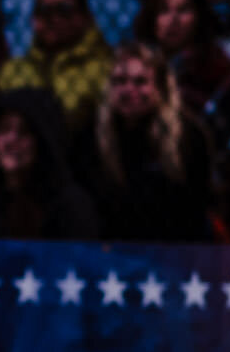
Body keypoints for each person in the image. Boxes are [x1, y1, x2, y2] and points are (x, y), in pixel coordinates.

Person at [135, 0, 230, 240]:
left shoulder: (216, 68)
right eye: (164, 10)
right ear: (152, 20)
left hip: (219, 206)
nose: (173, 20)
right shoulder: (142, 74)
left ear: (199, 17)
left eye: (183, 10)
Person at [84, 41, 217, 242]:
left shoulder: (187, 138)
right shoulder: (91, 137)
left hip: (174, 251)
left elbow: (196, 210)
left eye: (140, 82)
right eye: (120, 81)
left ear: (160, 88)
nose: (129, 90)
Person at [0, 87, 99, 240]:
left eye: (24, 131)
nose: (11, 140)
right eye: (4, 129)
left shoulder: (72, 208)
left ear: (42, 141)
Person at [0, 0, 113, 134]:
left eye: (64, 11)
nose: (54, 19)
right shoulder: (13, 70)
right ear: (34, 19)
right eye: (44, 11)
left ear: (85, 17)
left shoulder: (105, 68)